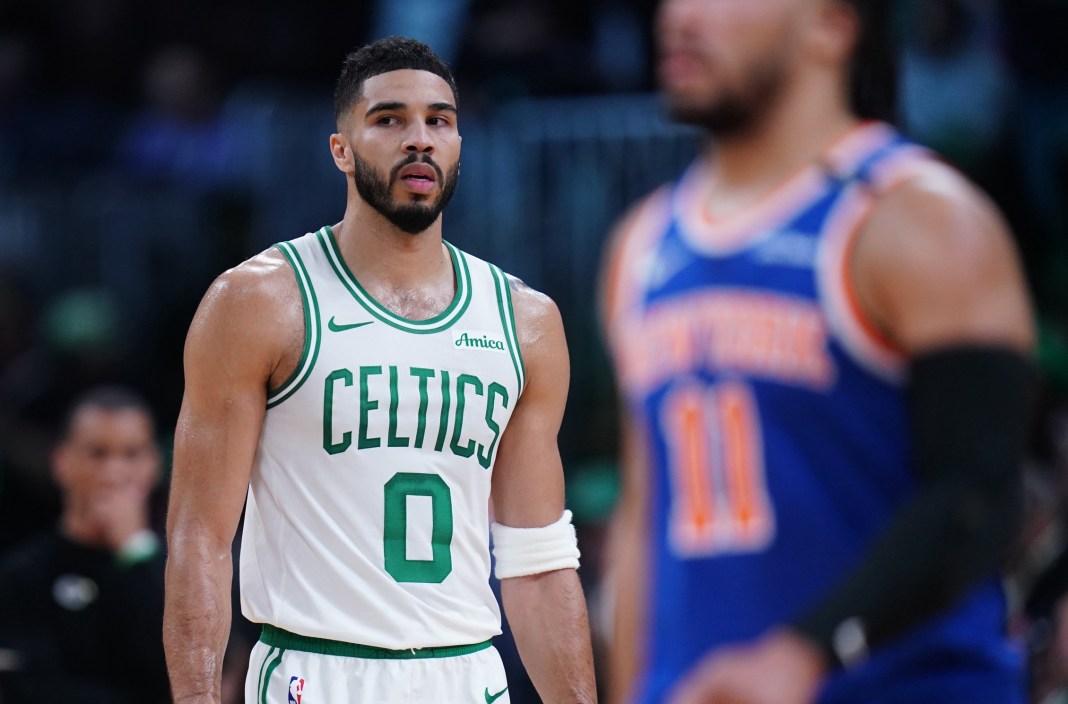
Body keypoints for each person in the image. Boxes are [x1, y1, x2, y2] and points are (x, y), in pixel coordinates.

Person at [599, 1, 1037, 703]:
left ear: (831, 25)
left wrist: (806, 651)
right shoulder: (640, 246)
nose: (679, 16)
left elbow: (981, 496)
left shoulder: (918, 218)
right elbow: (641, 522)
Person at [163, 36, 597, 704]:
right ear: (341, 149)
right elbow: (200, 538)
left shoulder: (526, 321)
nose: (419, 139)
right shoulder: (259, 302)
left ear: (458, 144)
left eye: (439, 121)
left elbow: (537, 562)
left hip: (468, 675)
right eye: (389, 119)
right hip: (317, 671)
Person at [0, 385, 168, 703]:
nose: (114, 473)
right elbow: (27, 686)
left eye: (132, 455)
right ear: (61, 461)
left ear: (153, 466)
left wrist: (135, 549)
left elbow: (184, 675)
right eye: (97, 453)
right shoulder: (19, 577)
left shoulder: (181, 572)